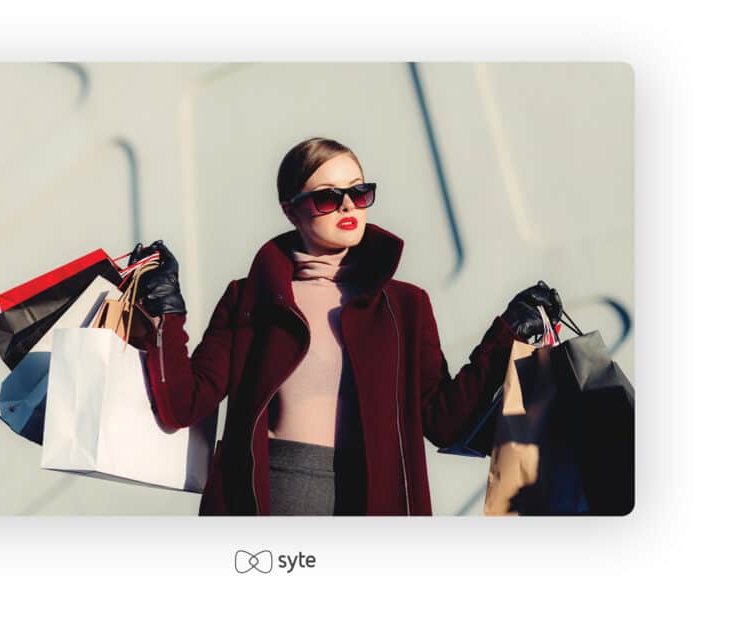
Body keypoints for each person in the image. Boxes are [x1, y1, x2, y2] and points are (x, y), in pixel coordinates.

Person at [127, 137, 562, 516]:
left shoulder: (406, 305)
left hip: (377, 505)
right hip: (271, 504)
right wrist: (167, 310)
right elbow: (183, 404)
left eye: (359, 191)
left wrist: (507, 334)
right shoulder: (250, 298)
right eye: (327, 197)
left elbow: (443, 422)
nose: (349, 206)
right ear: (290, 210)